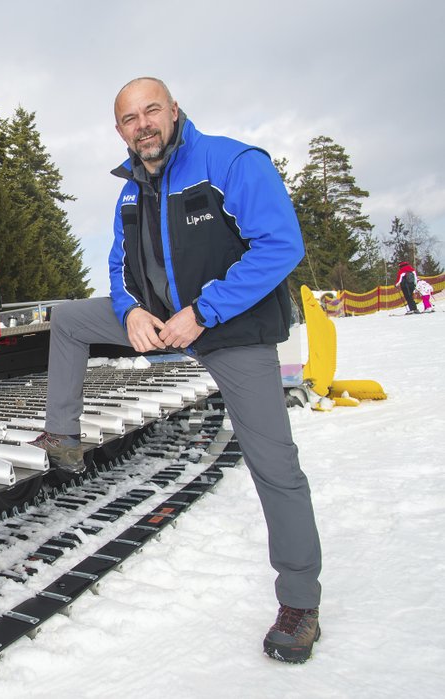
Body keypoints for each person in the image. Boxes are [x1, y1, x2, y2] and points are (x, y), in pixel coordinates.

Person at [30, 77, 322, 663]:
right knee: (68, 318)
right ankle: (62, 435)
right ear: (120, 131)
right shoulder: (131, 192)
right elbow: (117, 267)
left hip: (231, 329)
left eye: (152, 111)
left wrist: (206, 311)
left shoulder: (231, 163)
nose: (143, 125)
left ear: (174, 111)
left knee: (273, 464)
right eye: (129, 119)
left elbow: (281, 244)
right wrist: (130, 310)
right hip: (164, 321)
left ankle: (300, 602)